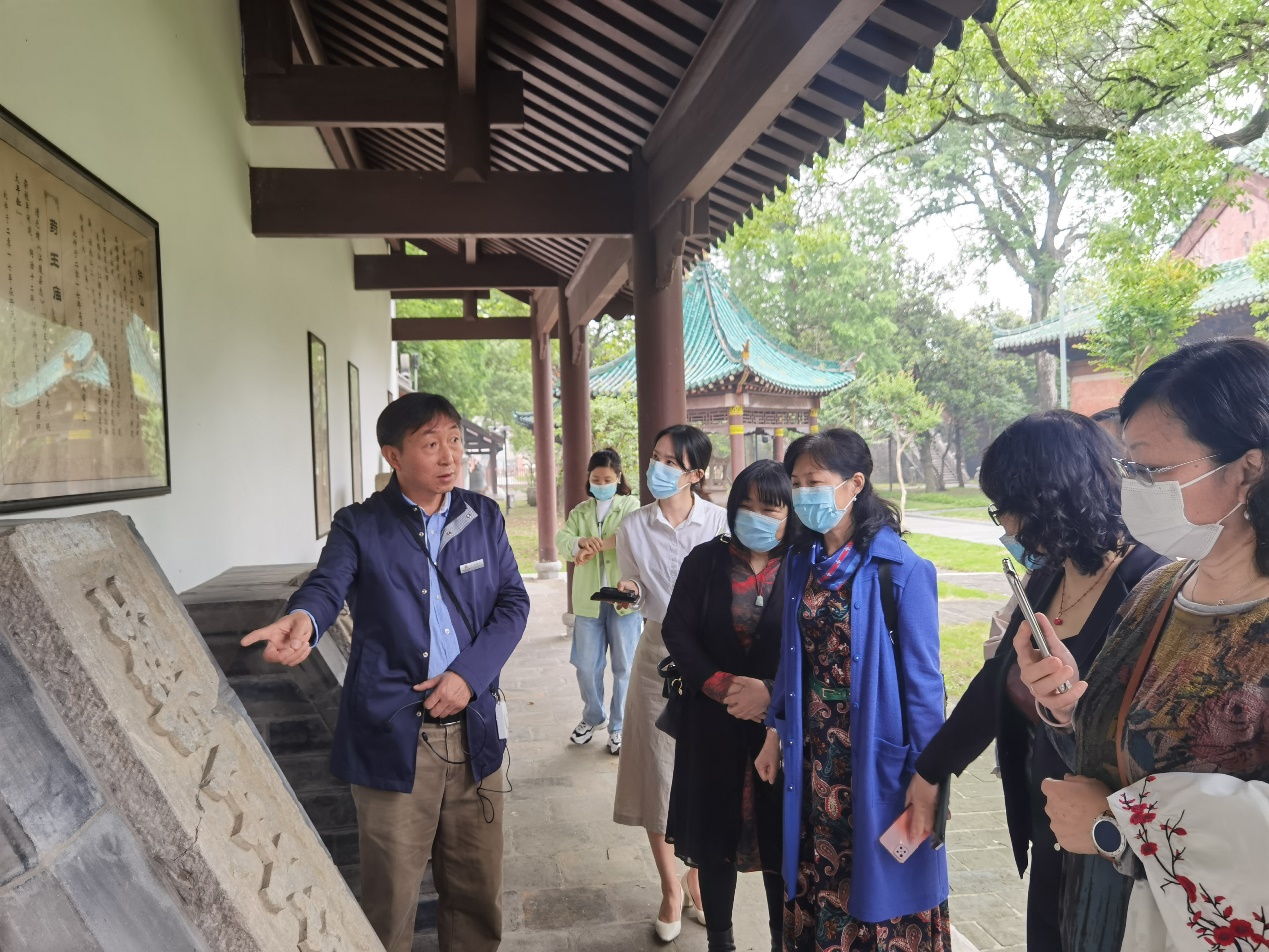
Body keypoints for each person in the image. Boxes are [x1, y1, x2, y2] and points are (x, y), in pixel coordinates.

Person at [240, 392, 529, 952]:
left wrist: (468, 676)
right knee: (390, 902)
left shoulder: (483, 516)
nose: (449, 455)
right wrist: (304, 619)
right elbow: (328, 584)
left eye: (454, 440)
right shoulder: (360, 525)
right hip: (397, 737)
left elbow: (513, 603)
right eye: (430, 443)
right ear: (393, 456)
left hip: (475, 732)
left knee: (477, 894)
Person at [1016, 337, 1269, 951]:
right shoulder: (1160, 589)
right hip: (1098, 918)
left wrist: (1119, 826)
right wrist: (1068, 706)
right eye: (1127, 468)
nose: (1135, 489)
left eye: (1152, 470)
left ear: (1248, 469)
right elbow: (1119, 753)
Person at [905, 411, 1167, 951]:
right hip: (1050, 825)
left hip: (1117, 843)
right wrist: (932, 769)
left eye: (1006, 507)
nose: (1003, 526)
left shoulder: (1152, 584)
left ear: (1050, 499)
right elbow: (998, 681)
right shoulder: (1047, 575)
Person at [757, 428, 950, 952]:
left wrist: (930, 773)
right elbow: (791, 659)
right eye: (796, 483)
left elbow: (925, 685)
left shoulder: (901, 569)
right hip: (812, 751)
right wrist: (774, 732)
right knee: (817, 867)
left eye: (814, 481)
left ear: (855, 484)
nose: (802, 494)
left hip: (875, 753)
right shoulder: (800, 561)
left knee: (884, 874)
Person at [662, 460, 792, 952]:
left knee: (780, 839)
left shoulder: (804, 565)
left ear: (791, 514)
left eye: (770, 509)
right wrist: (722, 687)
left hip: (780, 728)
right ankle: (721, 941)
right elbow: (677, 630)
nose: (755, 516)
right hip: (711, 724)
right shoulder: (705, 561)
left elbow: (817, 646)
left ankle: (782, 939)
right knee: (714, 840)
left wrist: (772, 694)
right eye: (746, 506)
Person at [613, 424, 729, 942]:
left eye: (669, 462)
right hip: (656, 655)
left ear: (695, 475)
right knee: (657, 775)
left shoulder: (721, 523)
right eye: (655, 457)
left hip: (712, 658)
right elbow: (638, 587)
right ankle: (669, 888)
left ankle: (696, 879)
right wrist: (629, 592)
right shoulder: (633, 525)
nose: (656, 469)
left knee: (706, 773)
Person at [557, 448, 643, 753]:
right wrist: (580, 542)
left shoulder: (631, 505)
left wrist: (597, 546)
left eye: (607, 479)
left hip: (623, 602)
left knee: (624, 667)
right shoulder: (580, 511)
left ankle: (619, 726)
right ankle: (593, 716)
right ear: (589, 479)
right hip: (588, 601)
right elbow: (562, 541)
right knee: (585, 666)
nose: (602, 484)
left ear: (618, 478)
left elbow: (632, 536)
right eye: (596, 479)